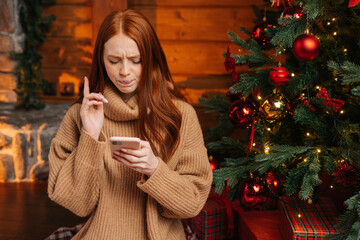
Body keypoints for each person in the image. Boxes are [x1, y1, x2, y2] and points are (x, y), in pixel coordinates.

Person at [47, 9, 213, 240]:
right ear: (101, 60)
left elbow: (192, 204)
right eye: (114, 61)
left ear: (152, 59)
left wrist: (154, 169)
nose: (125, 72)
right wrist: (90, 136)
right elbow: (77, 204)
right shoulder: (80, 115)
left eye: (137, 61)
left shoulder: (181, 115)